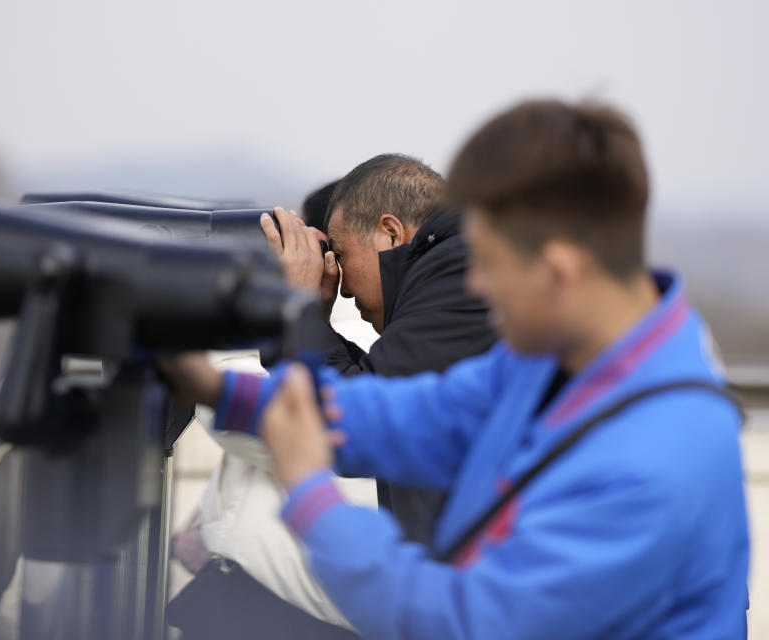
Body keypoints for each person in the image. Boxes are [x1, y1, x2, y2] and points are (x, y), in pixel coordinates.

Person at [162, 99, 749, 638]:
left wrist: (313, 499)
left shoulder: (650, 462)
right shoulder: (560, 359)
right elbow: (414, 417)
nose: (473, 284)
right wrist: (220, 389)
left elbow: (462, 620)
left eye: (487, 263)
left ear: (559, 268)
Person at [261, 155, 495, 544]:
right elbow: (374, 393)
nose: (345, 288)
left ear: (389, 233)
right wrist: (313, 322)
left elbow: (351, 427)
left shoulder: (460, 272)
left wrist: (295, 309)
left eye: (343, 254)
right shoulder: (455, 267)